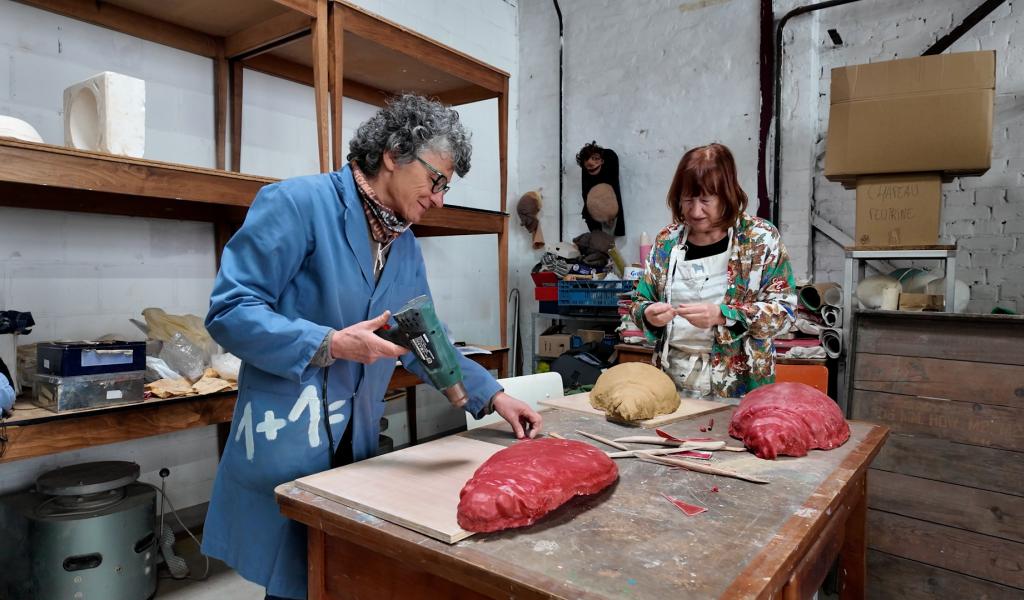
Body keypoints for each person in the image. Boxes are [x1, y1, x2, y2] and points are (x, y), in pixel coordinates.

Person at [201, 94, 543, 600]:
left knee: (339, 573)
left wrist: (493, 395)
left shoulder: (402, 243)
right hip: (290, 430)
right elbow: (230, 311)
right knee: (293, 578)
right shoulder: (298, 204)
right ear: (393, 154)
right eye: (436, 180)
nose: (439, 199)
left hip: (355, 438)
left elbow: (422, 335)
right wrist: (329, 343)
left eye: (446, 187)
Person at [630, 143, 796, 399]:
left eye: (706, 200)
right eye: (688, 199)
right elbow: (639, 302)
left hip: (740, 384)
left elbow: (784, 313)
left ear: (727, 196)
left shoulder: (759, 239)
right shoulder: (667, 241)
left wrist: (723, 315)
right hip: (672, 380)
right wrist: (648, 314)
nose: (695, 211)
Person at [576, 141, 625, 236]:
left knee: (606, 238)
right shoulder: (587, 174)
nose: (591, 164)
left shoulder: (610, 159)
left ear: (602, 160)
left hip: (609, 213)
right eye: (588, 164)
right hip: (595, 215)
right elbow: (586, 193)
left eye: (596, 159)